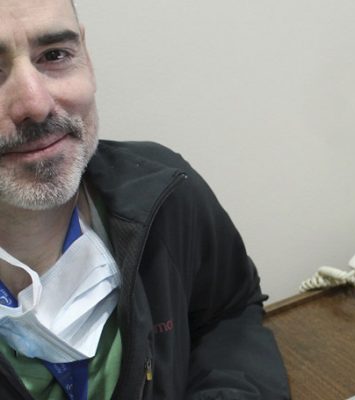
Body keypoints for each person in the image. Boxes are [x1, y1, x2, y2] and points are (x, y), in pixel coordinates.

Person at [0, 0, 290, 399]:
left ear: (86, 57)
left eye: (55, 55)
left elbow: (229, 312)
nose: (35, 104)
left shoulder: (164, 191)